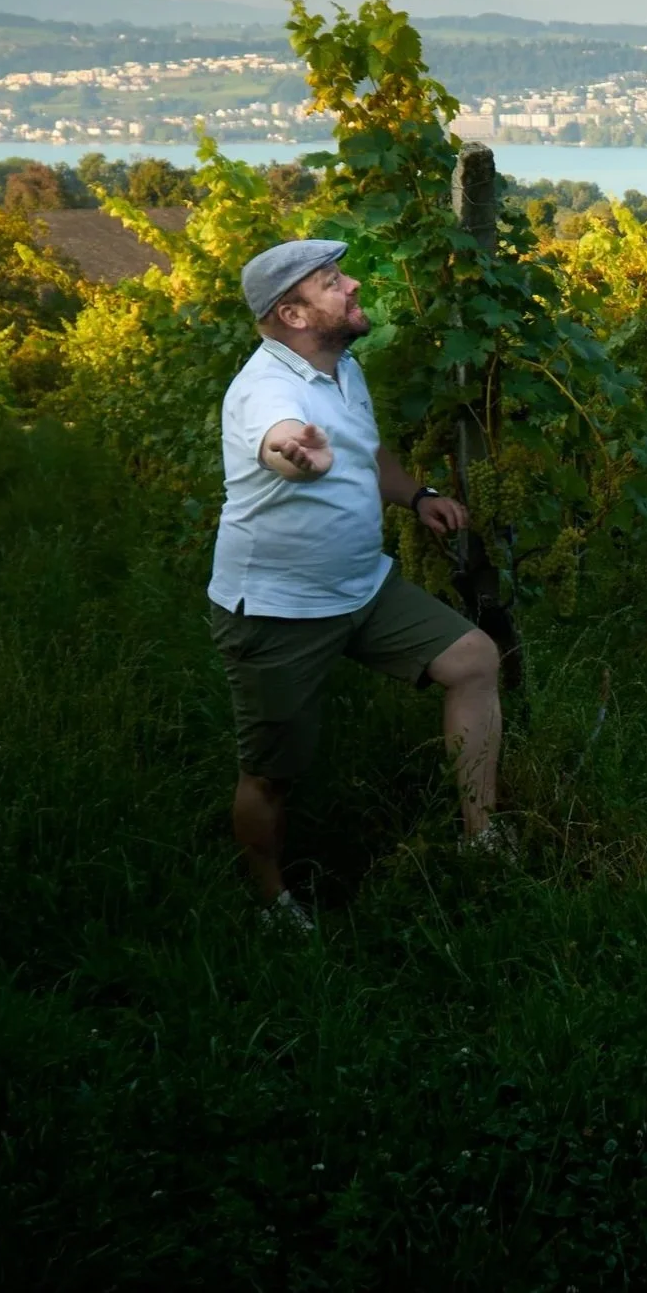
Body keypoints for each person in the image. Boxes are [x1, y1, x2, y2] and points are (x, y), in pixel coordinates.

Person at [209, 238, 506, 932]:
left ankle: (483, 839)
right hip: (280, 610)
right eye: (330, 280)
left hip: (361, 587)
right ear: (293, 313)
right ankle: (269, 899)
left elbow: (368, 452)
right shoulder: (267, 391)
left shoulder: (341, 366)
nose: (351, 285)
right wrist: (297, 454)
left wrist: (417, 495)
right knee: (271, 775)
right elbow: (286, 444)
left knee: (474, 659)